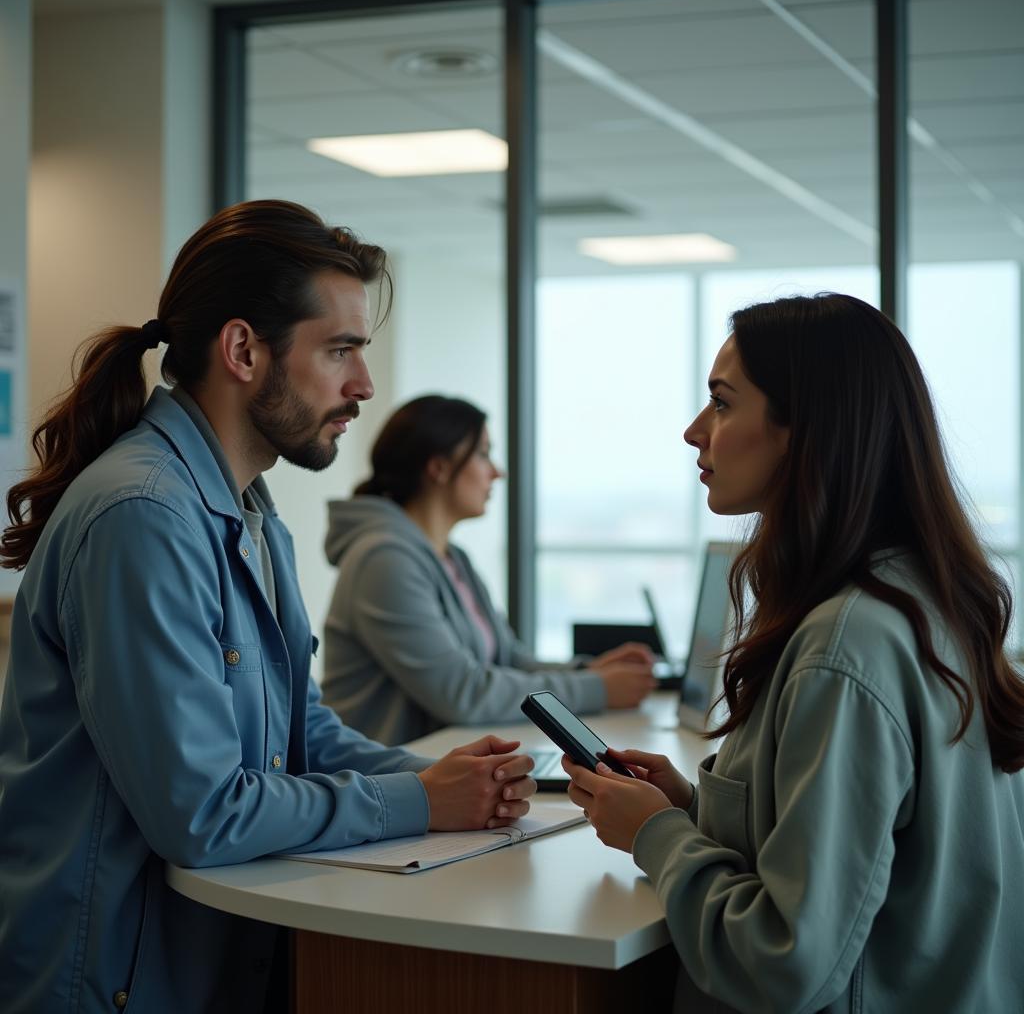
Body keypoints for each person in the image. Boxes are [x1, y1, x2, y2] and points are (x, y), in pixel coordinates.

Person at [0, 200, 536, 1014]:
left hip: (202, 958)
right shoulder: (142, 513)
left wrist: (444, 779)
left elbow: (299, 732)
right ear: (244, 350)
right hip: (112, 982)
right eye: (341, 351)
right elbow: (203, 812)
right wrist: (422, 802)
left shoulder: (250, 511)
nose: (363, 386)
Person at [562, 293, 1024, 1013]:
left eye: (721, 404)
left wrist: (655, 835)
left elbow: (785, 964)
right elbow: (860, 854)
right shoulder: (926, 602)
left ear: (805, 432)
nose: (693, 432)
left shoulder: (846, 646)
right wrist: (686, 808)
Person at [320, 394, 656, 745]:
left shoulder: (452, 558)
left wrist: (590, 671)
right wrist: (598, 689)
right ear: (439, 468)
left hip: (437, 761)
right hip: (382, 780)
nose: (497, 472)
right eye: (483, 454)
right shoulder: (384, 560)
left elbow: (508, 659)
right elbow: (462, 692)